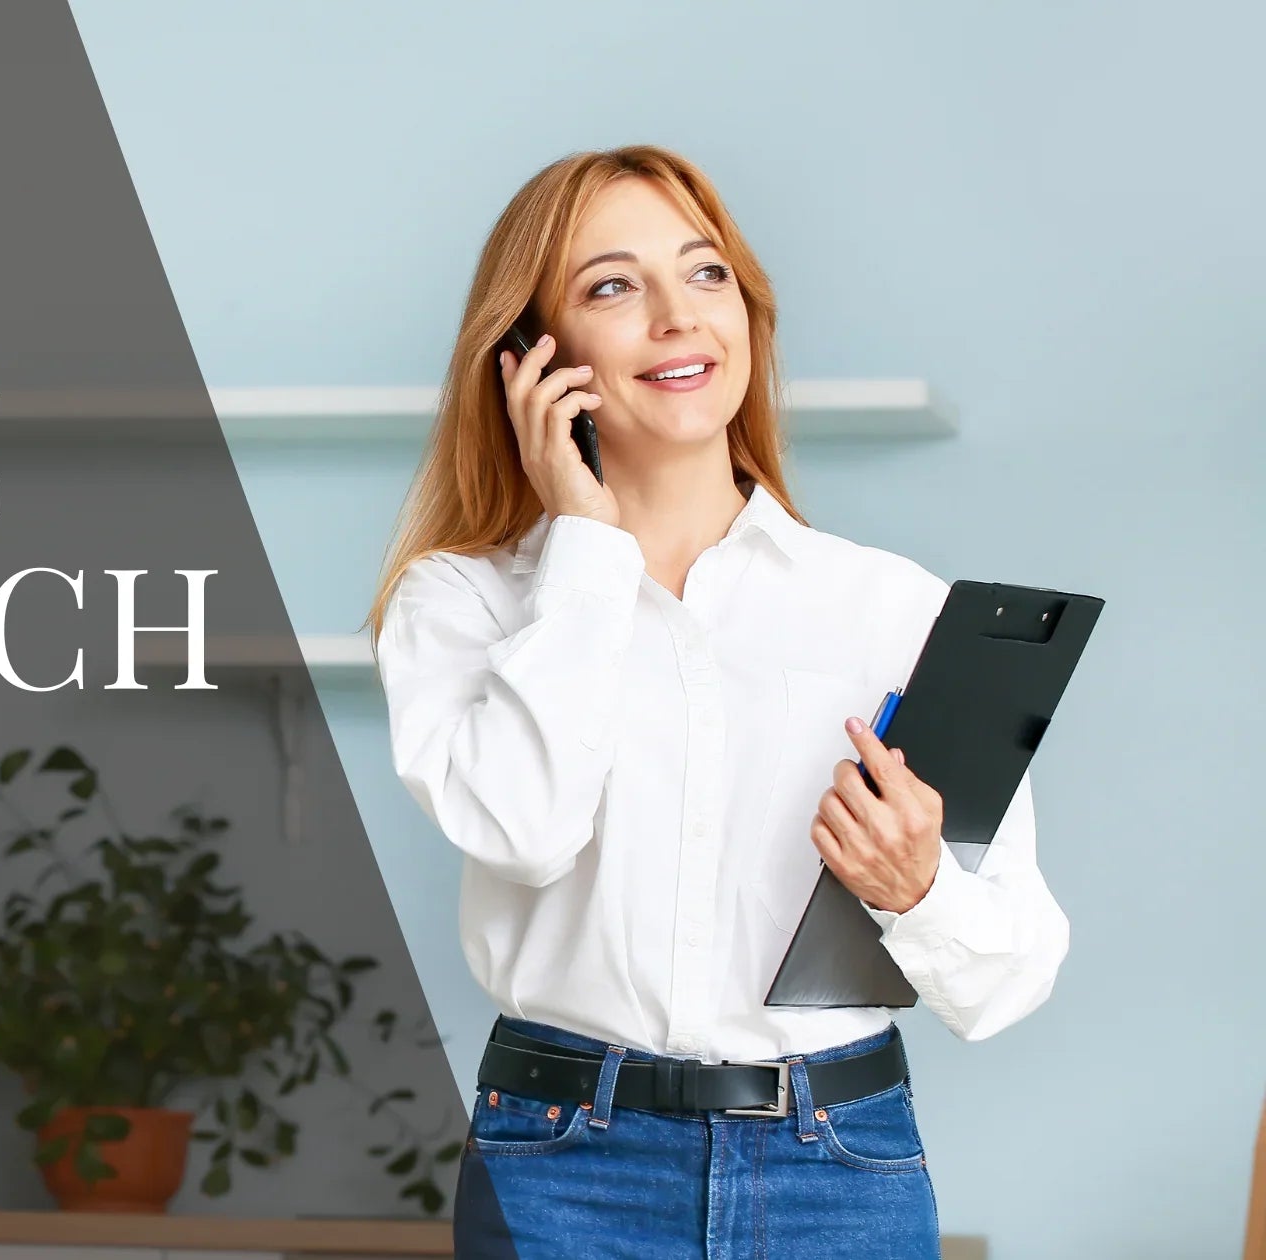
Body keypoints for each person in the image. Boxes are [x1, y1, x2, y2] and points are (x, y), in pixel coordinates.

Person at [364, 145, 1071, 1258]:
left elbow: (1010, 976)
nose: (674, 318)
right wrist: (587, 554)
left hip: (836, 1171)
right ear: (528, 360)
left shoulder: (890, 610)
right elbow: (521, 828)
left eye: (703, 275)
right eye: (610, 287)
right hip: (561, 1173)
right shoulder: (458, 602)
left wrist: (918, 886)